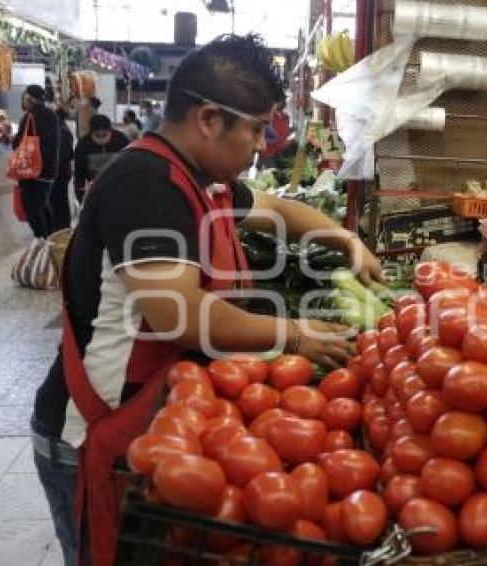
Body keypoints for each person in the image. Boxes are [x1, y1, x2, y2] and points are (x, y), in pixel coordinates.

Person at [31, 34, 382, 566]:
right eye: (256, 127)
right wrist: (292, 335)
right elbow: (180, 314)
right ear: (209, 119)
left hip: (157, 425)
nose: (262, 143)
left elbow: (277, 210)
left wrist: (346, 241)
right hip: (92, 433)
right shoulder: (145, 184)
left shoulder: (204, 180)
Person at [12, 84, 60, 239]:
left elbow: (18, 143)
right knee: (44, 205)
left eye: (23, 98)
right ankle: (51, 241)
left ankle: (42, 242)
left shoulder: (30, 117)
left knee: (33, 208)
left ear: (29, 98)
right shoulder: (52, 116)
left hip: (33, 171)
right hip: (49, 171)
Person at [73, 114, 130, 203]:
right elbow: (79, 175)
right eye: (97, 135)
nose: (101, 139)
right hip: (95, 189)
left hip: (119, 188)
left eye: (105, 135)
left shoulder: (122, 141)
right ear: (91, 133)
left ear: (111, 131)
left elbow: (129, 168)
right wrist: (81, 197)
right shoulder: (83, 146)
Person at [50, 106, 74, 230]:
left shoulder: (62, 131)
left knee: (59, 200)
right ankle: (61, 225)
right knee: (59, 200)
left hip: (60, 172)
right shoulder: (63, 129)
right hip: (62, 171)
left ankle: (62, 226)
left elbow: (64, 154)